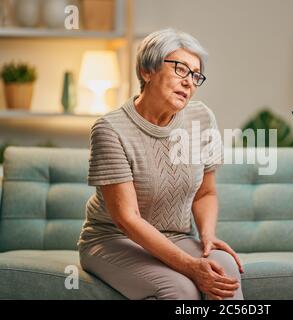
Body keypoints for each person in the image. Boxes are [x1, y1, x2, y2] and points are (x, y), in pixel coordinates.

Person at [78, 28, 244, 300]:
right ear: (147, 71)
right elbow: (127, 219)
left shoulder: (201, 118)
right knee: (180, 290)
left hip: (177, 236)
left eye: (195, 75)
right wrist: (190, 266)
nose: (189, 81)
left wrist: (208, 235)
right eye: (180, 69)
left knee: (225, 273)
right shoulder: (110, 128)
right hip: (113, 241)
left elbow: (206, 192)